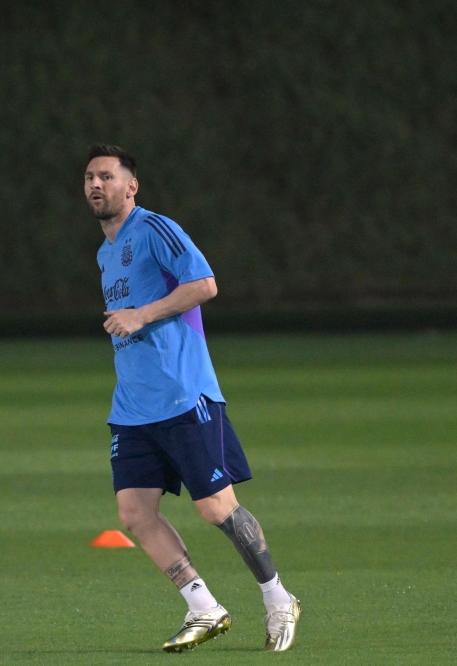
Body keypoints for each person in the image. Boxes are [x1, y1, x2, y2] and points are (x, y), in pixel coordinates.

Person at [84, 144, 302, 652]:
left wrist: (141, 314)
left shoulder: (154, 229)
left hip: (184, 396)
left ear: (130, 186)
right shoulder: (104, 252)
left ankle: (278, 598)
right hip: (133, 407)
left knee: (216, 508)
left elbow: (204, 284)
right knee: (135, 513)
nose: (97, 185)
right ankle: (204, 607)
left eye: (107, 177)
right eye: (90, 177)